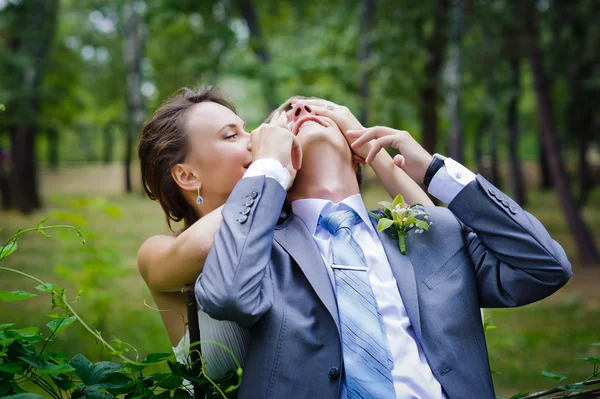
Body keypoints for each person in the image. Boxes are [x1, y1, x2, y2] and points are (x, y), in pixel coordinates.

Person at [195, 97, 572, 398]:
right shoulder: (259, 250)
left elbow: (545, 267)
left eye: (320, 106)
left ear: (357, 147)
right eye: (286, 114)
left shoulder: (434, 232)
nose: (302, 109)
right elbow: (227, 295)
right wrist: (267, 169)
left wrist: (433, 172)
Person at [136, 87, 432, 381]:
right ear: (188, 176)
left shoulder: (292, 230)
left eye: (248, 130)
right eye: (231, 135)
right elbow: (208, 247)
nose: (256, 139)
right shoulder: (156, 252)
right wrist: (270, 169)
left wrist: (369, 150)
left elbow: (435, 239)